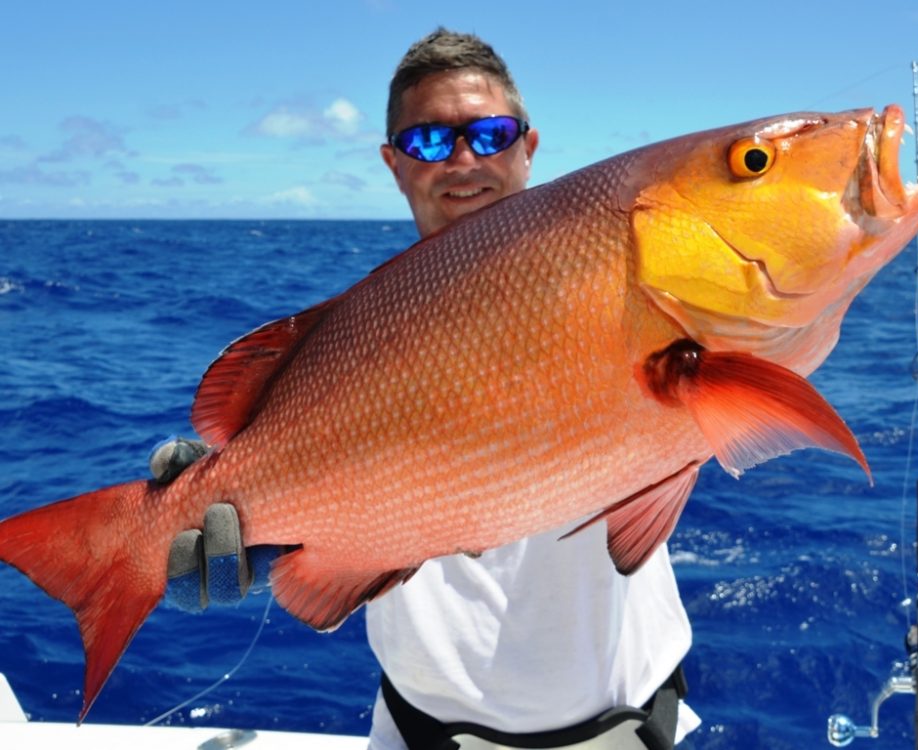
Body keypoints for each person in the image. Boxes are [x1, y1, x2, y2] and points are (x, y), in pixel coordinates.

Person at [155, 28, 699, 750]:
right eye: (431, 142)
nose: (466, 161)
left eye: (491, 134)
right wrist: (242, 516)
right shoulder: (353, 338)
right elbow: (305, 512)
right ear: (394, 163)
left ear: (528, 149)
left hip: (628, 733)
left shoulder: (634, 293)